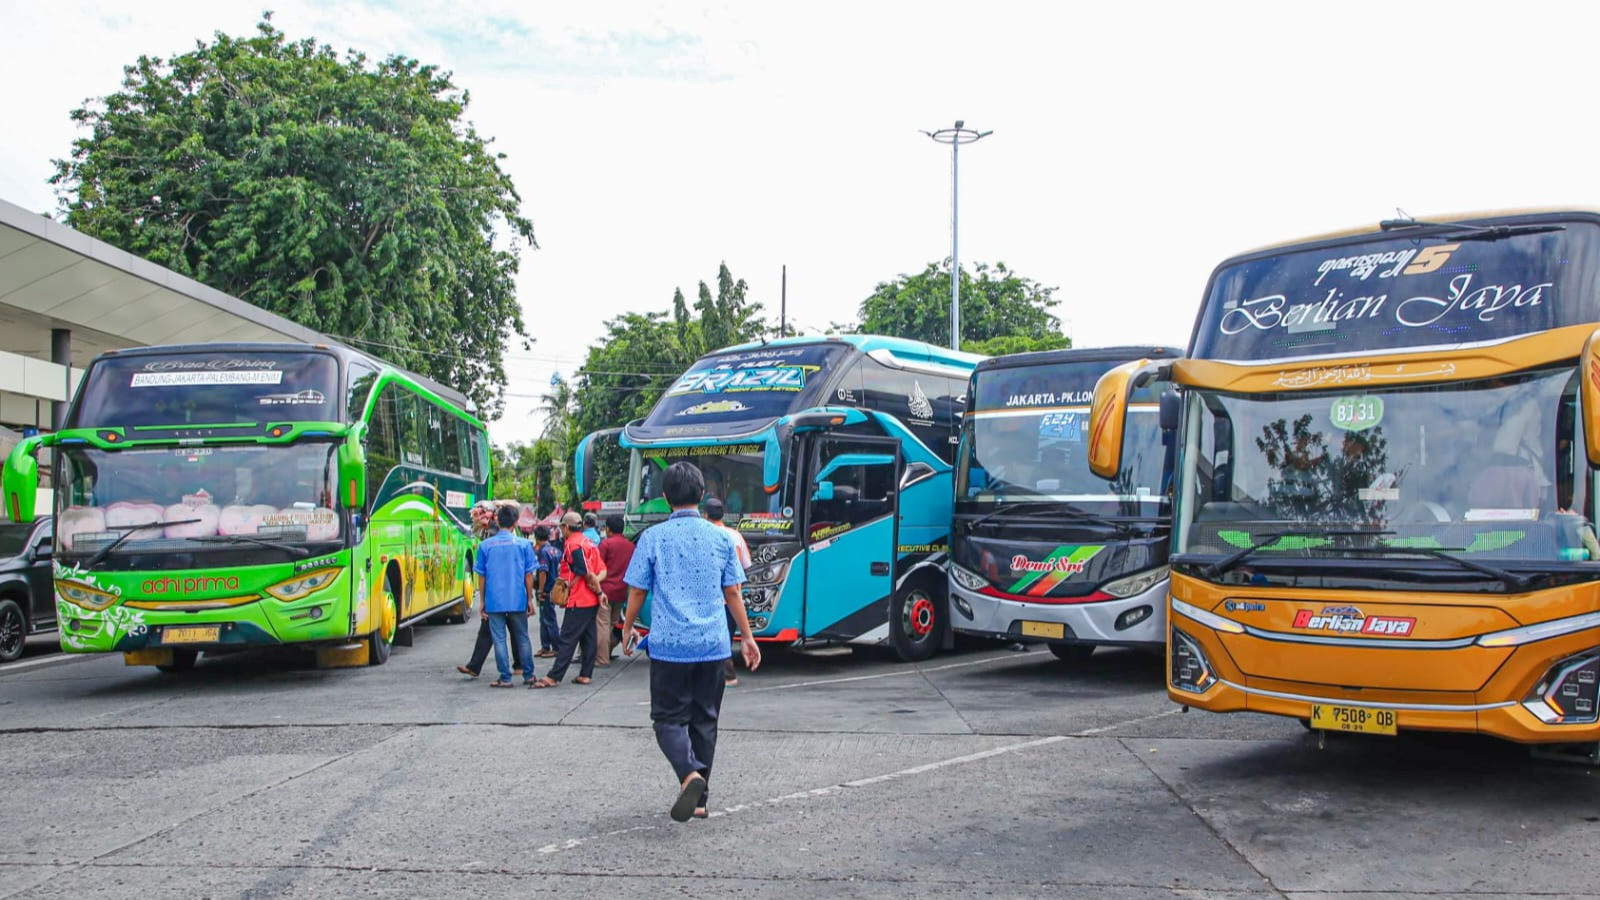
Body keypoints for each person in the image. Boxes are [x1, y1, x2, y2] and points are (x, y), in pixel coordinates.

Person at [621, 461, 760, 822]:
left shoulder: (652, 538)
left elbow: (637, 590)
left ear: (665, 497)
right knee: (705, 720)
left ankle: (688, 775)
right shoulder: (722, 538)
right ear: (702, 495)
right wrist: (746, 637)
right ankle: (700, 800)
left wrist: (628, 626)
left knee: (668, 719)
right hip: (713, 645)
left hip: (669, 645)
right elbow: (732, 591)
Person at [530, 511, 607, 688]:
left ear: (565, 528)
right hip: (590, 601)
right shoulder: (590, 543)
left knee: (567, 639)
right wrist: (598, 590)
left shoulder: (573, 545)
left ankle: (554, 676)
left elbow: (584, 572)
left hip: (579, 600)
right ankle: (585, 674)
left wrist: (598, 590)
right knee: (588, 637)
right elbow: (602, 571)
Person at [457, 502, 526, 679]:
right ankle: (521, 667)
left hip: (497, 594)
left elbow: (482, 574)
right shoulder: (519, 541)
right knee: (513, 631)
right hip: (514, 593)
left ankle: (502, 672)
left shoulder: (490, 540)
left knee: (496, 634)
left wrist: (482, 600)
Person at [473, 504, 538, 687]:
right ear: (516, 523)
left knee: (499, 638)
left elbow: (482, 576)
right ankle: (529, 675)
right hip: (518, 598)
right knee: (522, 636)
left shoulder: (485, 546)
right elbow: (528, 574)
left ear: (498, 521)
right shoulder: (524, 545)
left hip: (494, 600)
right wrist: (530, 599)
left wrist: (483, 601)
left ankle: (505, 677)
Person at [704, 497, 751, 688]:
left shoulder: (705, 536)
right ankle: (724, 674)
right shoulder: (735, 536)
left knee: (714, 640)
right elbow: (746, 565)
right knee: (727, 637)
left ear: (705, 515)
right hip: (732, 599)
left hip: (711, 599)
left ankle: (727, 674)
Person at [596, 514, 635, 667]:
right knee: (612, 623)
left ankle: (602, 659)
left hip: (605, 591)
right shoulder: (630, 546)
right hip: (622, 591)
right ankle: (608, 652)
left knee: (602, 624)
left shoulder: (605, 545)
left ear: (608, 529)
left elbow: (598, 567)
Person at [532, 524, 561, 657]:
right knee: (544, 618)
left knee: (549, 619)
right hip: (554, 587)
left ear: (537, 537)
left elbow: (543, 572)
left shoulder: (543, 552)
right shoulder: (554, 550)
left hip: (547, 589)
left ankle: (556, 647)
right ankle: (545, 646)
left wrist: (540, 591)